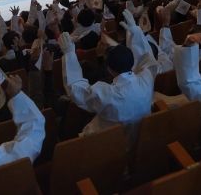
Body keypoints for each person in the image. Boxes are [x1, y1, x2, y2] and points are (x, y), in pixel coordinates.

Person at [59, 10, 159, 138]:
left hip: (110, 143)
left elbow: (76, 90)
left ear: (109, 69)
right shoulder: (146, 80)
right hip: (142, 138)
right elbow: (147, 59)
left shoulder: (106, 95)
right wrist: (135, 31)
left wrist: (69, 53)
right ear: (132, 63)